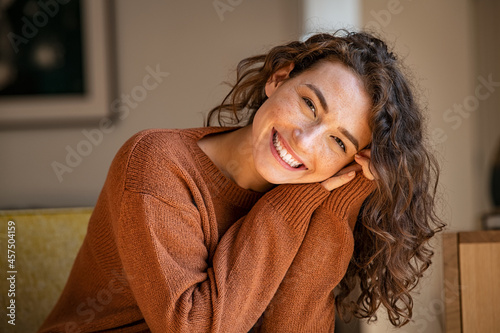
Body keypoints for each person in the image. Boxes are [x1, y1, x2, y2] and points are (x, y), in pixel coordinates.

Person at [39, 30, 444, 333]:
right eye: (308, 104)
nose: (303, 142)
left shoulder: (312, 196)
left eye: (338, 141)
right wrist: (294, 202)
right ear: (278, 79)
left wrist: (343, 198)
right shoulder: (157, 162)